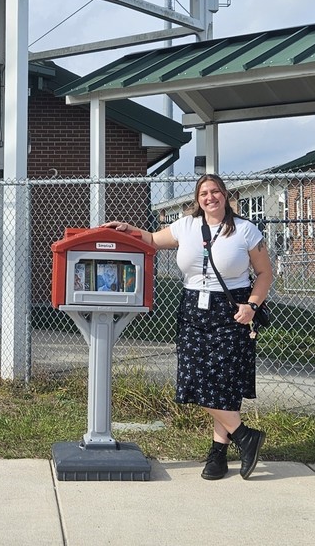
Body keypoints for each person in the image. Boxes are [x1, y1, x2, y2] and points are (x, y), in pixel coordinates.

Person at [104, 174, 273, 481]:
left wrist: (252, 306)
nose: (210, 197)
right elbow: (154, 240)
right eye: (204, 193)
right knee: (194, 379)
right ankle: (245, 436)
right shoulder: (186, 226)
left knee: (223, 382)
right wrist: (132, 230)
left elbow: (264, 273)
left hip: (233, 308)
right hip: (193, 308)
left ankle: (218, 453)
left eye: (215, 192)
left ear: (225, 195)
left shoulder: (247, 230)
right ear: (197, 199)